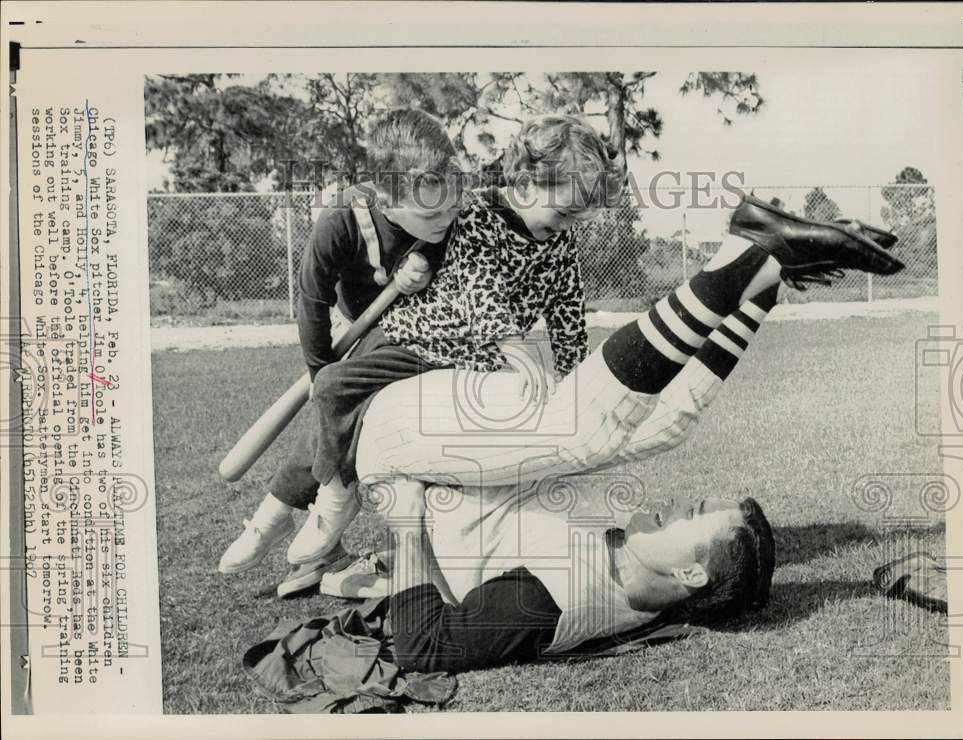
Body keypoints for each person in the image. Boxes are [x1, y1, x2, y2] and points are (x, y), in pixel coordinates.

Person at [335, 193, 904, 669]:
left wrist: (404, 527)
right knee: (664, 426)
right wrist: (763, 296)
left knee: (582, 431)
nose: (678, 505)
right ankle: (765, 281)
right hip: (464, 452)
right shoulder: (633, 559)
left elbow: (424, 647)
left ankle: (745, 252)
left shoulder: (561, 599)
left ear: (690, 571)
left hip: (400, 454)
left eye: (692, 515)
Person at [280, 114, 625, 580]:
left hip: (476, 357)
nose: (566, 227)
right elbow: (480, 288)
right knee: (334, 385)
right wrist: (514, 346)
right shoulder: (481, 213)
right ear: (523, 184)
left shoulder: (559, 242)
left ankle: (476, 546)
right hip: (420, 340)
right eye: (562, 212)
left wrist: (574, 371)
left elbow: (568, 305)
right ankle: (336, 496)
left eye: (576, 218)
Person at [217, 108, 462, 580]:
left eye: (451, 206)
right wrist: (318, 372)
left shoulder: (446, 197)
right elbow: (311, 301)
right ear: (387, 201)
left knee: (350, 398)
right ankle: (294, 519)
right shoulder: (342, 218)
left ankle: (281, 512)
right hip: (359, 327)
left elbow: (457, 250)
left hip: (423, 333)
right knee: (335, 395)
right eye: (432, 215)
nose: (447, 219)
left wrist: (427, 261)